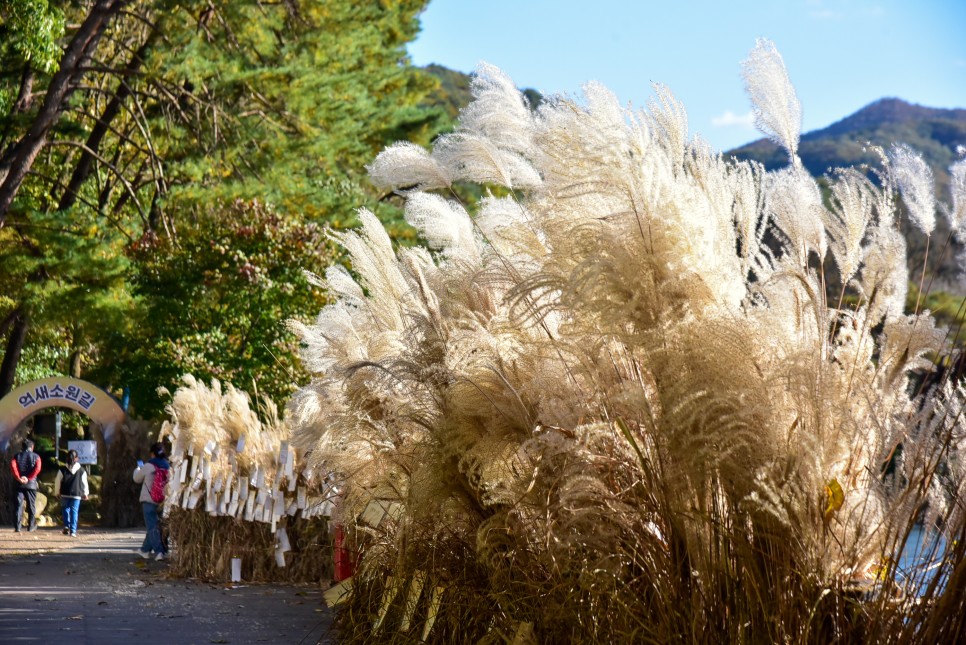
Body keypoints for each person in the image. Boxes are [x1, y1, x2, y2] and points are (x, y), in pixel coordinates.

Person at [133, 442, 169, 561]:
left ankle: (159, 552)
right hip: (163, 501)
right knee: (156, 526)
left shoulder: (149, 465)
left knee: (152, 527)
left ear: (152, 454)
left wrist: (138, 468)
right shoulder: (168, 465)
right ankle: (144, 550)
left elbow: (137, 478)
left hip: (149, 500)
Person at [54, 449, 89, 537]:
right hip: (77, 493)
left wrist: (57, 492)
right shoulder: (81, 470)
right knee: (74, 511)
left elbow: (57, 481)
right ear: (76, 458)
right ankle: (73, 531)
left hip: (65, 492)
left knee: (65, 509)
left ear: (67, 458)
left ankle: (66, 525)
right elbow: (84, 482)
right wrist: (85, 493)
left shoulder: (62, 469)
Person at [10, 439, 41, 532]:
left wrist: (18, 477)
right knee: (31, 505)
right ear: (32, 447)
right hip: (30, 484)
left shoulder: (16, 456)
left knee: (18, 505)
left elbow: (13, 466)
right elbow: (37, 468)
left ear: (22, 447)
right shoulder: (36, 456)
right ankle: (31, 525)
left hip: (18, 484)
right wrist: (29, 478)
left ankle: (17, 526)